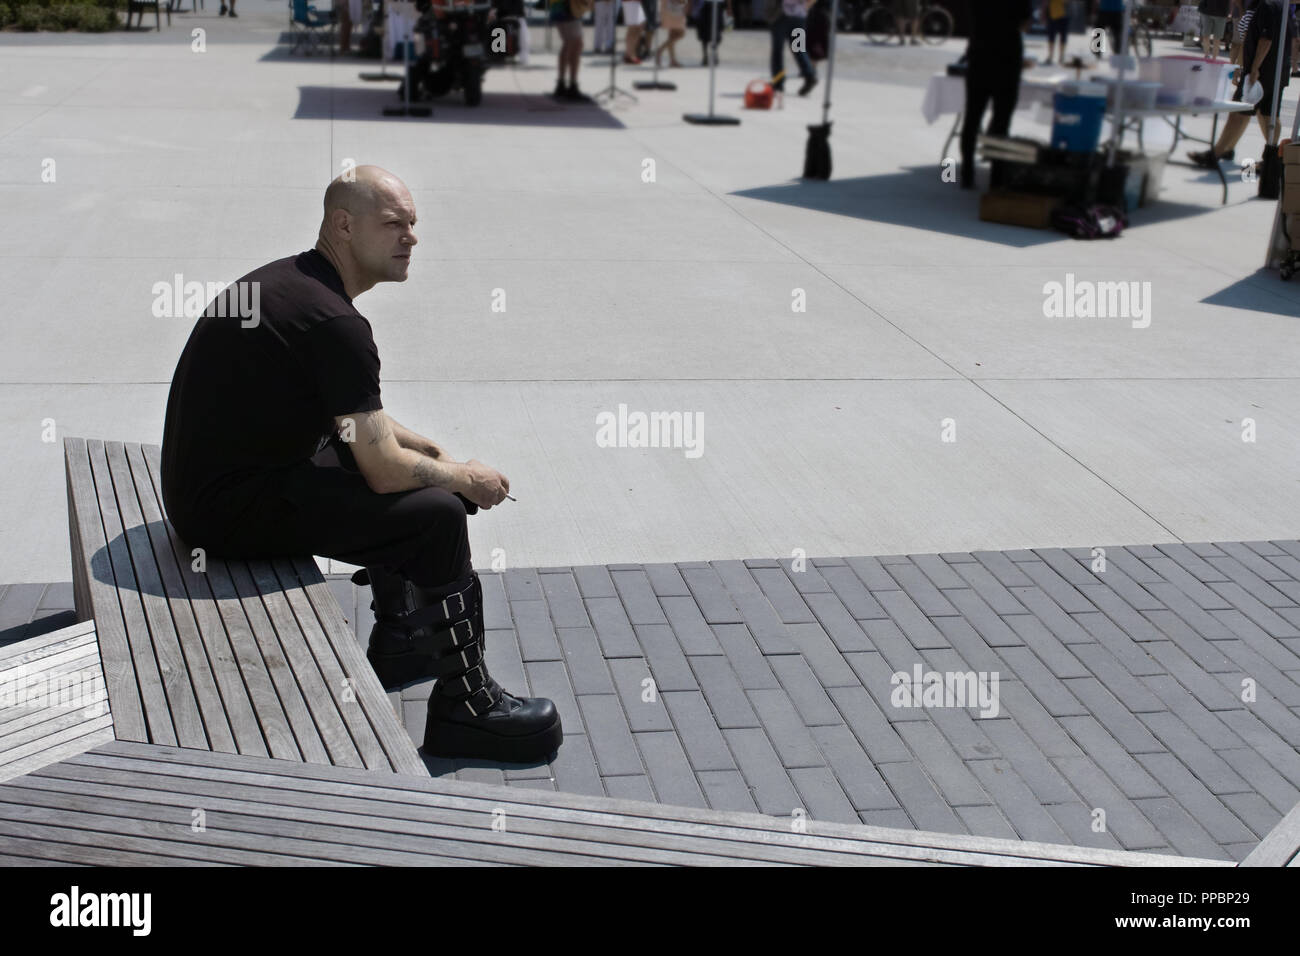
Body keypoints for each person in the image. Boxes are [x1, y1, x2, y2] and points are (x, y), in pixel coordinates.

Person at [160, 167, 563, 763]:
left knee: (411, 475)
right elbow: (381, 468)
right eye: (394, 223)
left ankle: (403, 640)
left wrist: (430, 451)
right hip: (224, 513)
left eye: (413, 224)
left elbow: (357, 423)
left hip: (211, 486)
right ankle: (466, 710)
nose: (411, 238)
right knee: (437, 514)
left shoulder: (296, 286)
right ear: (344, 226)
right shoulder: (335, 324)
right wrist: (466, 480)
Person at [1189, 0, 1295, 167]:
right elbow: (1293, 38)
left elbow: (1266, 39)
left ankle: (1218, 153)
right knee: (1267, 114)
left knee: (1239, 111)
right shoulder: (1283, 6)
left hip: (1262, 70)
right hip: (1277, 69)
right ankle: (1269, 157)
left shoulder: (1267, 5)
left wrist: (1254, 68)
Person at [960, 0, 1032, 189]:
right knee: (1001, 121)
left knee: (972, 118)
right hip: (1007, 57)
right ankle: (996, 178)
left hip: (979, 53)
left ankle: (967, 174)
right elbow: (1025, 23)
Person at [767, 0, 817, 95]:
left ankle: (778, 82)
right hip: (799, 16)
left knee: (778, 51)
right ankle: (810, 76)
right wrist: (805, 7)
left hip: (781, 16)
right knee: (798, 48)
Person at [551, 0, 593, 100]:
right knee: (576, 44)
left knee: (568, 43)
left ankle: (562, 83)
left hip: (559, 7)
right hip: (568, 8)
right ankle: (572, 85)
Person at [694, 0, 731, 65]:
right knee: (704, 32)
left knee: (715, 32)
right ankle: (706, 56)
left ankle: (713, 54)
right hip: (705, 4)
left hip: (717, 4)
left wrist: (729, 7)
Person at [657, 0, 688, 65]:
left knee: (672, 35)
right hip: (674, 10)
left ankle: (672, 60)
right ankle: (660, 50)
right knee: (681, 34)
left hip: (670, 9)